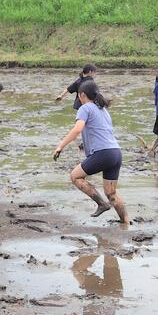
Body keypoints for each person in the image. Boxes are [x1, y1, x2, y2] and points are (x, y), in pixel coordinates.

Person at [54, 81, 129, 224]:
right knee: (111, 193)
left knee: (75, 176)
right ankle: (125, 223)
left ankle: (101, 204)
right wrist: (84, 144)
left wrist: (60, 146)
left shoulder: (85, 108)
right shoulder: (103, 110)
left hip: (103, 153)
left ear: (82, 95)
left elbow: (77, 129)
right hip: (115, 152)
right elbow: (100, 131)